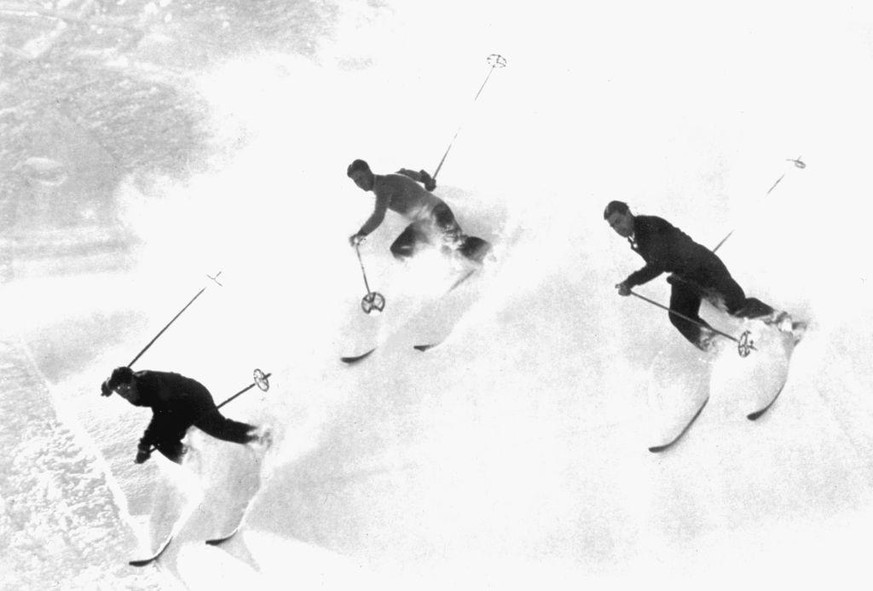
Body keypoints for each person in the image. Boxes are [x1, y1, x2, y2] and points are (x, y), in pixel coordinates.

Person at [604, 200, 794, 351]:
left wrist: (630, 282)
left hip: (702, 267)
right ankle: (720, 348)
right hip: (684, 275)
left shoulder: (647, 226)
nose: (618, 228)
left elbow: (659, 263)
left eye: (618, 221)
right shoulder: (636, 237)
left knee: (736, 306)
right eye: (613, 226)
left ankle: (788, 325)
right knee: (680, 316)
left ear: (628, 213)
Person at [101, 366, 262, 464]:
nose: (126, 393)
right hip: (176, 406)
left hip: (193, 398)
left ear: (133, 380)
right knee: (162, 441)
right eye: (121, 392)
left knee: (219, 428)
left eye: (128, 388)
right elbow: (111, 382)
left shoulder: (150, 386)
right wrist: (107, 387)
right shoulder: (121, 384)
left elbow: (160, 417)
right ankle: (197, 463)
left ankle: (262, 437)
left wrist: (144, 445)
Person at [346, 159, 490, 263]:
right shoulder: (390, 178)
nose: (360, 183)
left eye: (361, 177)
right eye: (356, 181)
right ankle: (429, 275)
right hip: (425, 223)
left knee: (459, 244)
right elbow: (406, 173)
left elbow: (378, 215)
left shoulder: (382, 188)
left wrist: (360, 235)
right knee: (399, 249)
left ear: (368, 171)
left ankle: (492, 256)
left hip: (437, 213)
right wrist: (426, 179)